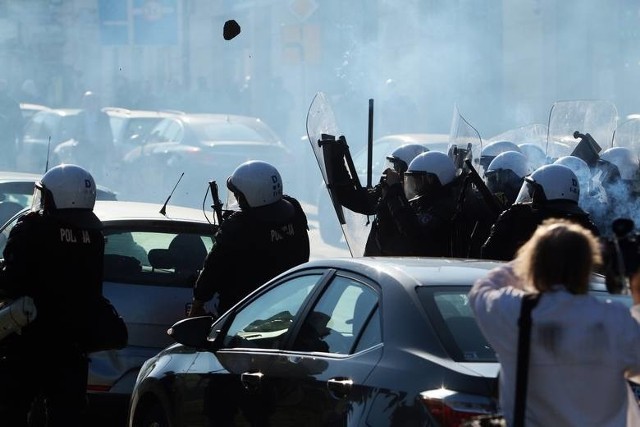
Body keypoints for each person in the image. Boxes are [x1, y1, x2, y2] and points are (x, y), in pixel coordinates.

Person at [469, 219, 640, 426]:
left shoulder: (514, 312)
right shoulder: (614, 319)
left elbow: (483, 288)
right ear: (587, 266)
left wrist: (533, 258)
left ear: (534, 264)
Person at [0, 164, 105, 426]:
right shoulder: (93, 236)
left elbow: (11, 282)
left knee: (12, 408)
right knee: (67, 413)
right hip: (72, 343)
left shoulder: (31, 229)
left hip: (29, 340)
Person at [188, 160, 310, 317]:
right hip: (293, 304)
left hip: (245, 312)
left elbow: (213, 268)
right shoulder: (293, 209)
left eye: (238, 195)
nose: (237, 199)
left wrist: (198, 303)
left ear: (250, 194)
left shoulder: (239, 225)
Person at [481, 163, 600, 261]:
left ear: (548, 191)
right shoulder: (587, 228)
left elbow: (489, 256)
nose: (530, 199)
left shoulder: (524, 223)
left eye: (533, 193)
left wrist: (503, 226)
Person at [368, 150, 459, 257]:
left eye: (417, 180)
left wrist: (395, 193)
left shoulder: (444, 209)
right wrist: (386, 203)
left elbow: (413, 233)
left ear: (430, 179)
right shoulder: (425, 204)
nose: (414, 186)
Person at [73, 91, 115, 180]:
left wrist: (110, 147)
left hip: (99, 148)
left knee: (98, 170)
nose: (89, 104)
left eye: (91, 101)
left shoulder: (103, 116)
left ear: (96, 102)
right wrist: (81, 138)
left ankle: (98, 188)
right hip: (85, 147)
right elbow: (75, 133)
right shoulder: (80, 116)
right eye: (86, 102)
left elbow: (108, 132)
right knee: (83, 170)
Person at [0, 78, 24, 171]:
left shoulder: (12, 104)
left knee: (11, 168)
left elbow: (19, 124)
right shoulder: (13, 103)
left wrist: (20, 144)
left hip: (8, 141)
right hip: (8, 141)